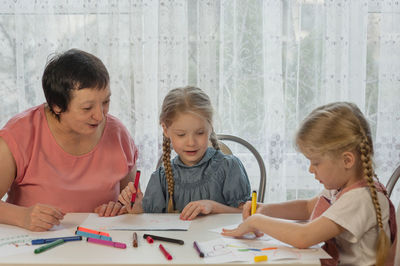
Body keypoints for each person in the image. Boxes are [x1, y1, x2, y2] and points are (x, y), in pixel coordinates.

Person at [222, 102, 397, 266]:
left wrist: (258, 221)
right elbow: (307, 207)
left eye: (316, 162)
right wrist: (266, 209)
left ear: (347, 160)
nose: (310, 170)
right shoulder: (342, 188)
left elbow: (304, 236)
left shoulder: (359, 199)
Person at [0, 49, 138, 231]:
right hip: (35, 249)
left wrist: (124, 207)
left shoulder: (118, 134)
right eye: (87, 107)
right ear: (57, 106)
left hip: (102, 247)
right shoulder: (19, 134)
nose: (99, 116)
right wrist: (23, 217)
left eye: (105, 102)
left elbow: (131, 205)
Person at [118, 86, 252, 220]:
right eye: (181, 135)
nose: (191, 142)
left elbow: (245, 214)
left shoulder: (229, 167)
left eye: (200, 133)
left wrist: (213, 207)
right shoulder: (162, 177)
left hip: (220, 241)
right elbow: (152, 220)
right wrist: (136, 208)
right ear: (165, 129)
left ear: (210, 127)